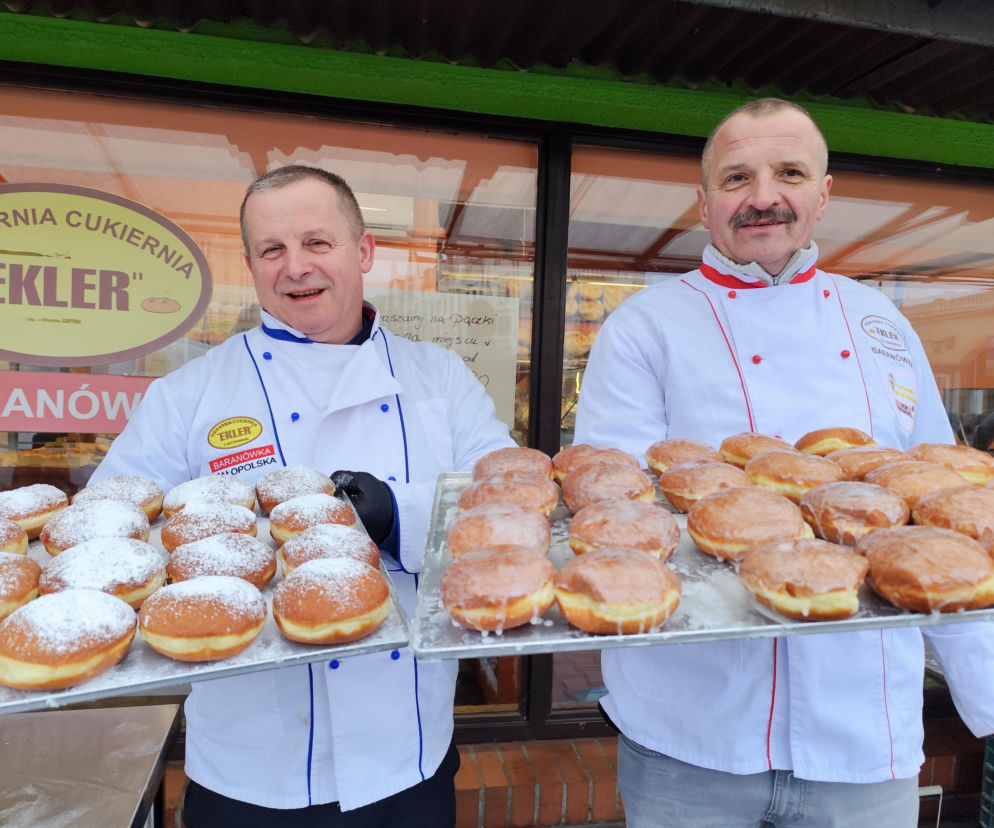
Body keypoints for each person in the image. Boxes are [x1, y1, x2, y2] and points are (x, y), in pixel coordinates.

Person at [574, 98, 994, 827]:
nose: (763, 197)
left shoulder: (879, 322)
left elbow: (941, 530)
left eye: (789, 173)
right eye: (737, 178)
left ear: (823, 195)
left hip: (863, 729)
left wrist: (985, 690)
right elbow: (620, 518)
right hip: (690, 732)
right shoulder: (644, 327)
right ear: (704, 205)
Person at [89, 165, 514, 826]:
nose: (296, 268)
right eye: (272, 250)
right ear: (252, 265)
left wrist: (398, 514)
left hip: (406, 752)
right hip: (250, 767)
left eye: (318, 243)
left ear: (364, 251)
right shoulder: (189, 393)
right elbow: (104, 533)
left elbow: (505, 511)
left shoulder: (440, 378)